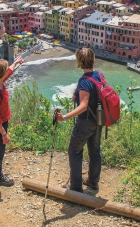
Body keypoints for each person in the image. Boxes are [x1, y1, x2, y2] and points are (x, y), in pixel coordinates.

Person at [56, 48, 103, 193]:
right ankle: (93, 182)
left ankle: (76, 187)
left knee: (74, 151)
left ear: (79, 61)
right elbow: (96, 96)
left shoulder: (84, 81)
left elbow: (83, 106)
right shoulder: (99, 75)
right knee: (94, 150)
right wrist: (79, 95)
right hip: (98, 120)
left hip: (85, 122)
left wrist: (65, 117)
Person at [0, 57, 24, 186]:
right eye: (6, 69)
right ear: (1, 73)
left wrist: (16, 62)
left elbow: (9, 72)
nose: (8, 71)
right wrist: (4, 134)